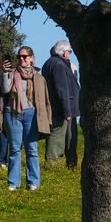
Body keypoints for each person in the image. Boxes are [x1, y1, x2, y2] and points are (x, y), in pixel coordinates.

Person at [0, 46, 52, 191]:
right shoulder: (11, 73)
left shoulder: (39, 77)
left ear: (31, 58)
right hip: (13, 113)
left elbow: (45, 99)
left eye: (24, 56)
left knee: (31, 148)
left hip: (31, 114)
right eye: (19, 57)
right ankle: (13, 183)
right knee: (15, 149)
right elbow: (4, 89)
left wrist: (47, 118)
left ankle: (33, 182)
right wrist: (4, 73)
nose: (21, 59)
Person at [41, 39, 80, 168]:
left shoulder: (50, 63)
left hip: (61, 108)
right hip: (62, 110)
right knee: (57, 137)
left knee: (69, 138)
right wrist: (67, 111)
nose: (70, 54)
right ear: (64, 53)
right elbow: (62, 89)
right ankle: (53, 166)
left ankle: (70, 165)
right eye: (70, 51)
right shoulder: (59, 65)